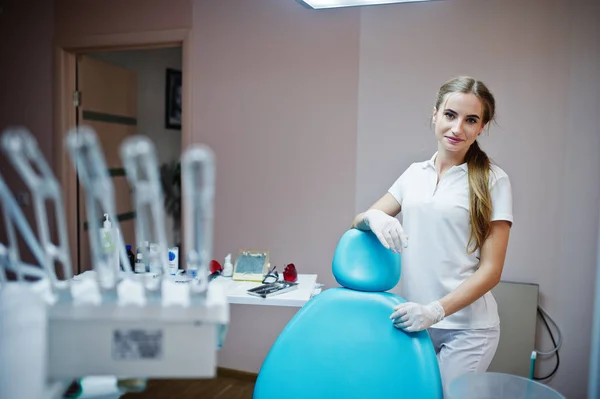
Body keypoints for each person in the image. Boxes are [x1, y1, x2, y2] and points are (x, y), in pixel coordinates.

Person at [352, 76, 513, 394]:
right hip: (414, 323)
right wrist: (372, 218)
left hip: (467, 330)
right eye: (451, 115)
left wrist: (435, 310)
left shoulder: (494, 180)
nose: (457, 129)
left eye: (471, 120)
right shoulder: (414, 174)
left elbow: (492, 271)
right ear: (436, 114)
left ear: (482, 127)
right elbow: (358, 221)